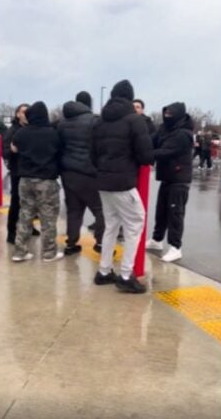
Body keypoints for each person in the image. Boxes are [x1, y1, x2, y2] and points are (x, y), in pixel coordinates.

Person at [91, 79, 154, 293]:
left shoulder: (99, 121)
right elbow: (145, 155)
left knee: (111, 225)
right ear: (130, 97)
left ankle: (104, 270)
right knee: (135, 223)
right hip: (124, 182)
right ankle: (126, 275)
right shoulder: (134, 120)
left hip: (103, 181)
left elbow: (92, 154)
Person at [9, 102, 63, 262]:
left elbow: (14, 150)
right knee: (48, 218)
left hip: (25, 180)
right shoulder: (53, 134)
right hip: (46, 181)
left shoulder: (21, 133)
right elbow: (59, 153)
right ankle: (48, 252)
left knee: (25, 215)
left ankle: (20, 252)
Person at [57, 91, 105, 255]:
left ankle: (71, 243)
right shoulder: (94, 121)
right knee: (100, 210)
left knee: (74, 210)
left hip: (68, 172)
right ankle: (100, 243)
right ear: (89, 104)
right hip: (88, 173)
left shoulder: (62, 122)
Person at [145, 102, 194, 262]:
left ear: (178, 115)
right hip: (167, 177)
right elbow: (151, 141)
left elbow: (165, 151)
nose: (167, 117)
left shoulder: (183, 134)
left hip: (179, 179)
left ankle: (175, 247)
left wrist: (146, 154)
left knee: (175, 214)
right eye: (165, 114)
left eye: (170, 114)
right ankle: (157, 240)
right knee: (161, 211)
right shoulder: (164, 129)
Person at [2, 104, 40, 244]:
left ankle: (30, 227)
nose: (26, 114)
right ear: (18, 114)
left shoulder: (32, 129)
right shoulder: (12, 131)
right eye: (23, 112)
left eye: (28, 112)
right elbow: (4, 152)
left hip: (31, 172)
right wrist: (12, 151)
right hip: (18, 172)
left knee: (31, 203)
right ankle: (11, 232)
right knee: (16, 203)